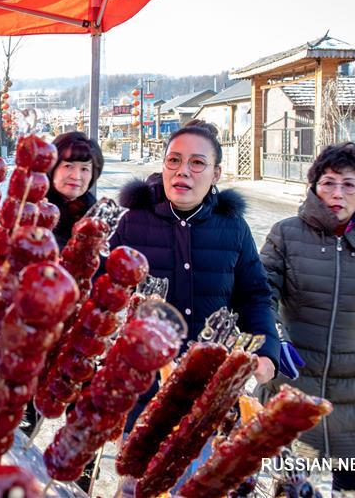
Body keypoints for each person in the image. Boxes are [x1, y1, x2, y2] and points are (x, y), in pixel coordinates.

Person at [258, 142, 355, 497]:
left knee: (352, 488)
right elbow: (261, 293)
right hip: (294, 383)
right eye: (328, 182)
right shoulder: (286, 234)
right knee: (293, 487)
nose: (337, 194)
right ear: (314, 186)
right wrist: (274, 338)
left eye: (349, 184)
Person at [111, 120, 280, 434]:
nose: (183, 171)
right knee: (137, 476)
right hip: (142, 387)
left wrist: (267, 349)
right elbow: (102, 289)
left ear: (216, 174)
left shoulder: (233, 229)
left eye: (198, 163)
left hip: (210, 388)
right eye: (173, 160)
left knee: (198, 477)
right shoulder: (132, 223)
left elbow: (254, 295)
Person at [46, 131, 104, 250]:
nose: (76, 176)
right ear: (52, 167)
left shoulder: (97, 217)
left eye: (84, 169)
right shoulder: (33, 213)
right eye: (68, 166)